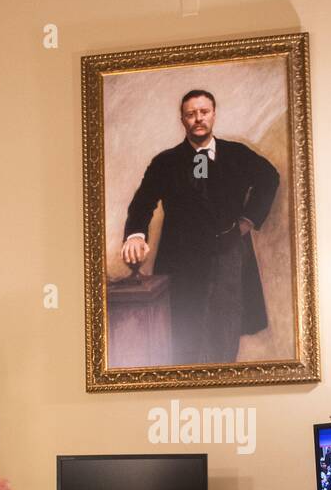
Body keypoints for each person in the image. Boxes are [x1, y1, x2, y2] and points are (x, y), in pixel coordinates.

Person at [120, 89, 280, 365]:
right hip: (181, 257)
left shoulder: (237, 154)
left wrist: (246, 221)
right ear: (182, 119)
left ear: (214, 115)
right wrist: (135, 234)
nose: (198, 119)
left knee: (225, 325)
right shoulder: (165, 162)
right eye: (191, 114)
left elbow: (269, 177)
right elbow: (143, 202)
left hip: (228, 253)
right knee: (186, 327)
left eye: (203, 112)